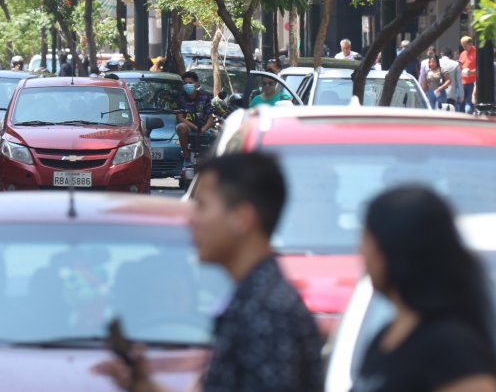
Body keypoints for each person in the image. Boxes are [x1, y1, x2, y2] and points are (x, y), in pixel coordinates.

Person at [98, 153, 322, 391]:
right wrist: (145, 385)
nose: (191, 220)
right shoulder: (250, 299)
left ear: (242, 218)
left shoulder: (267, 312)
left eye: (202, 206)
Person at [353, 186, 496, 391]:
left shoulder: (451, 347)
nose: (362, 253)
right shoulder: (384, 338)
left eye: (368, 241)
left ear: (393, 250)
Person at [175, 71, 214, 165]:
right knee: (181, 127)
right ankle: (186, 158)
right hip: (188, 127)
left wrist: (204, 128)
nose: (188, 85)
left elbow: (210, 117)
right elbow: (180, 118)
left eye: (190, 83)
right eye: (185, 83)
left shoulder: (205, 97)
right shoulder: (180, 97)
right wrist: (195, 127)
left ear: (197, 83)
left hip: (203, 128)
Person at [460, 36, 478, 114]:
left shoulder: (476, 53)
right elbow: (460, 66)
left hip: (472, 83)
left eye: (465, 45)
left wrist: (471, 72)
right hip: (462, 82)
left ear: (470, 44)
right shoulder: (463, 53)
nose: (464, 47)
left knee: (469, 105)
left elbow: (480, 69)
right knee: (461, 103)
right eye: (463, 46)